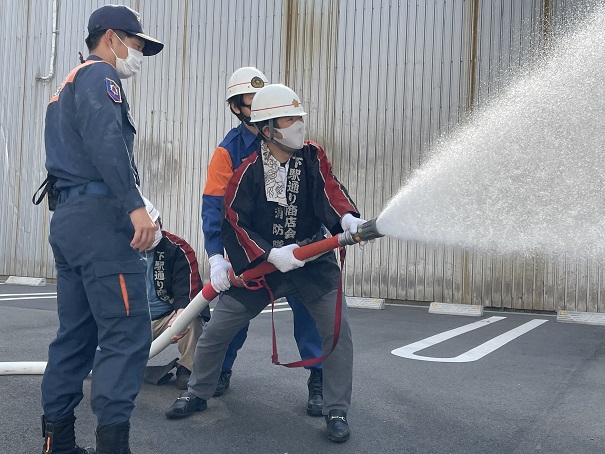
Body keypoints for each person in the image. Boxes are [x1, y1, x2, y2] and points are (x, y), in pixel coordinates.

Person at [166, 84, 367, 443]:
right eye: (290, 119)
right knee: (218, 330)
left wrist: (348, 218)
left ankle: (335, 408)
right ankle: (197, 392)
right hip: (264, 266)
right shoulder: (246, 170)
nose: (299, 126)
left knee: (337, 330)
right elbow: (233, 220)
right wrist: (269, 254)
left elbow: (330, 190)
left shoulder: (312, 156)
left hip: (312, 260)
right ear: (267, 128)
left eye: (300, 118)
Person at [40, 5, 163, 454]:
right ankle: (114, 446)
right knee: (126, 331)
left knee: (75, 334)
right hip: (100, 223)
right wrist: (135, 207)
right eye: (136, 44)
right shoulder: (98, 77)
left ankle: (58, 440)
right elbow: (107, 142)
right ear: (111, 38)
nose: (139, 54)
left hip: (69, 220)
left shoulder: (67, 84)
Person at [201, 67, 324, 413]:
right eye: (250, 100)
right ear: (236, 107)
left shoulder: (292, 138)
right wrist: (216, 256)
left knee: (310, 314)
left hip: (297, 247)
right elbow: (214, 207)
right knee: (233, 315)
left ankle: (319, 380)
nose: (258, 106)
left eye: (262, 98)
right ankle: (218, 373)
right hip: (254, 251)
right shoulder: (228, 152)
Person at [141, 198, 211, 390]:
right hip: (132, 319)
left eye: (154, 226)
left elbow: (187, 288)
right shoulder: (119, 250)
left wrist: (181, 314)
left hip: (166, 318)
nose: (150, 231)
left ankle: (187, 368)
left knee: (192, 317)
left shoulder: (177, 248)